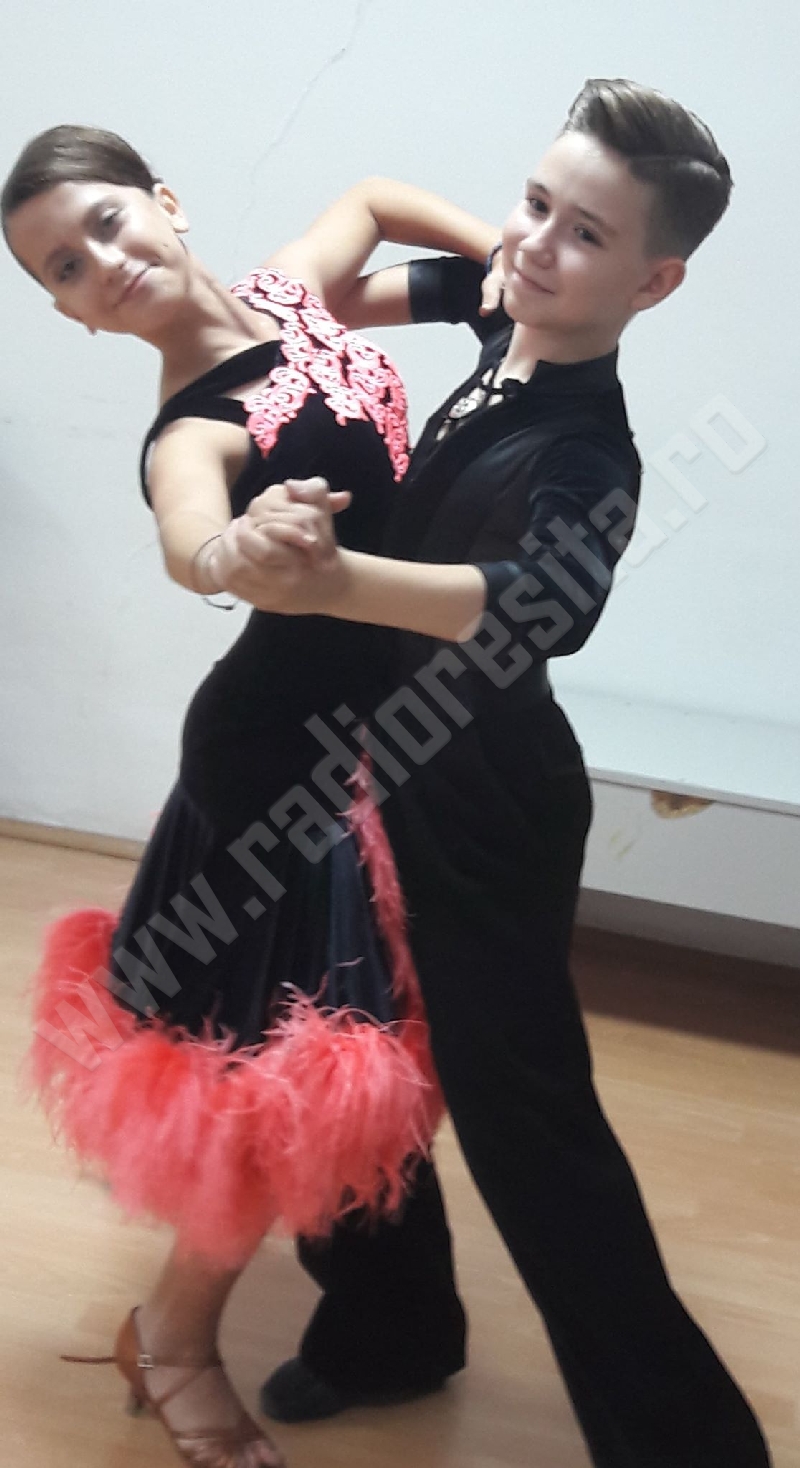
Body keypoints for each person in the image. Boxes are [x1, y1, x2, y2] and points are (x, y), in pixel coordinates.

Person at [231, 79, 773, 1467]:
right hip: (371, 768)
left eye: (587, 235)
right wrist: (297, 303)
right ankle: (391, 1331)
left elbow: (546, 602)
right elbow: (338, 277)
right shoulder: (498, 309)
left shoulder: (590, 447)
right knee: (341, 1049)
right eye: (535, 204)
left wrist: (340, 581)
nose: (535, 243)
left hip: (490, 805)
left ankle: (687, 1445)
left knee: (529, 1128)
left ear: (655, 283)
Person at [2, 128, 502, 1467]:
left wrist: (497, 258)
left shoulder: (294, 291)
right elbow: (189, 540)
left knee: (349, 1064)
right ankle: (173, 1340)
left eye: (108, 222)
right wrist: (237, 548)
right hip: (281, 774)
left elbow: (374, 197)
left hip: (379, 746)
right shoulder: (194, 428)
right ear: (68, 314)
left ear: (164, 204)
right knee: (272, 1081)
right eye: (64, 268)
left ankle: (385, 1325)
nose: (102, 262)